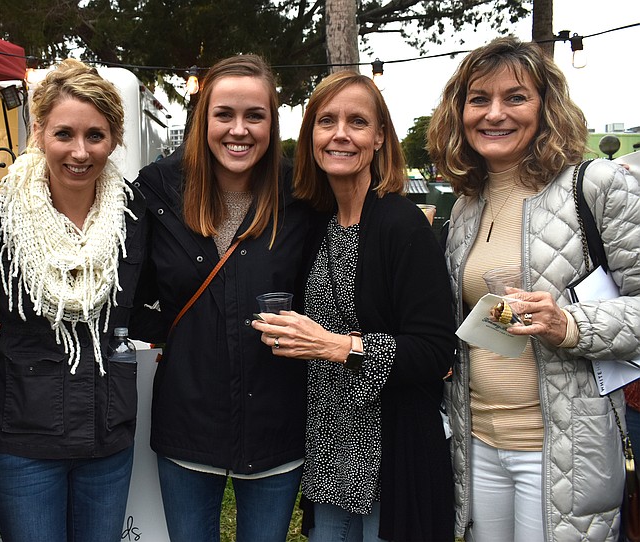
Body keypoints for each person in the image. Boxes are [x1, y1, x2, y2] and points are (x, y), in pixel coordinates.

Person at [427, 36, 640, 541]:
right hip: (477, 440)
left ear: (546, 107)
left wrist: (569, 323)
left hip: (563, 446)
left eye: (515, 97)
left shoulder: (598, 186)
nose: (494, 113)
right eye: (479, 99)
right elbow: (484, 321)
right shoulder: (464, 209)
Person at [251, 69, 456, 542]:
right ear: (311, 136)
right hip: (330, 453)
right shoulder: (317, 221)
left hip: (391, 450)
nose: (340, 134)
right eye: (327, 121)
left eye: (357, 122)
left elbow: (435, 351)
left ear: (380, 137)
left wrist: (336, 346)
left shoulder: (401, 225)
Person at [131, 54, 313, 542]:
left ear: (273, 123)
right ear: (202, 119)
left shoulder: (301, 196)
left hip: (277, 421)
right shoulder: (159, 189)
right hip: (187, 419)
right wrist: (178, 334)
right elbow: (128, 289)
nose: (239, 130)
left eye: (254, 115)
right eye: (224, 114)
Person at [0, 58, 146, 542]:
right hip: (22, 441)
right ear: (40, 132)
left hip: (107, 438)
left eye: (96, 135)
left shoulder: (132, 216)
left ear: (114, 139)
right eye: (64, 133)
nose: (80, 151)